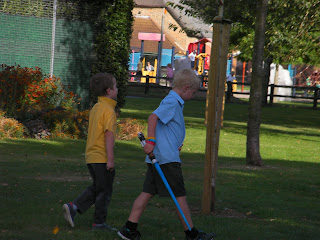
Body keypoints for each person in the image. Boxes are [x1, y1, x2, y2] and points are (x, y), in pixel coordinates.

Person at [117, 68, 215, 240]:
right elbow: (153, 118)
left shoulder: (173, 102)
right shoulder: (171, 101)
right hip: (167, 161)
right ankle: (191, 234)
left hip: (160, 158)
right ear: (185, 88)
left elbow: (167, 127)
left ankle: (129, 228)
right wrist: (151, 141)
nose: (193, 95)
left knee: (147, 193)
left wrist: (175, 141)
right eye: (193, 91)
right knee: (180, 197)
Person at [62, 73, 118, 231]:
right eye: (116, 86)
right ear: (109, 91)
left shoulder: (96, 107)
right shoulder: (109, 111)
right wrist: (110, 159)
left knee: (99, 187)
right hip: (102, 157)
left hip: (91, 156)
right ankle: (97, 222)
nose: (117, 89)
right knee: (104, 191)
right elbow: (108, 136)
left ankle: (74, 207)